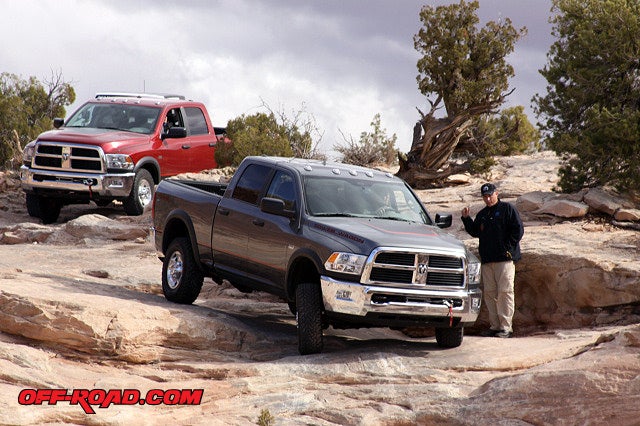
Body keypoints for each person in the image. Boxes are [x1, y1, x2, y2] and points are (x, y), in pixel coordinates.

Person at [461, 183, 524, 338]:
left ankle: (506, 327)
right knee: (490, 294)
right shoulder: (482, 214)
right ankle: (494, 326)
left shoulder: (507, 209)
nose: (488, 199)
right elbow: (475, 231)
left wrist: (508, 249)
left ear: (497, 193)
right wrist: (466, 219)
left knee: (505, 292)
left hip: (505, 260)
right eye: (485, 196)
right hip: (488, 260)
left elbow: (518, 230)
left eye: (490, 195)